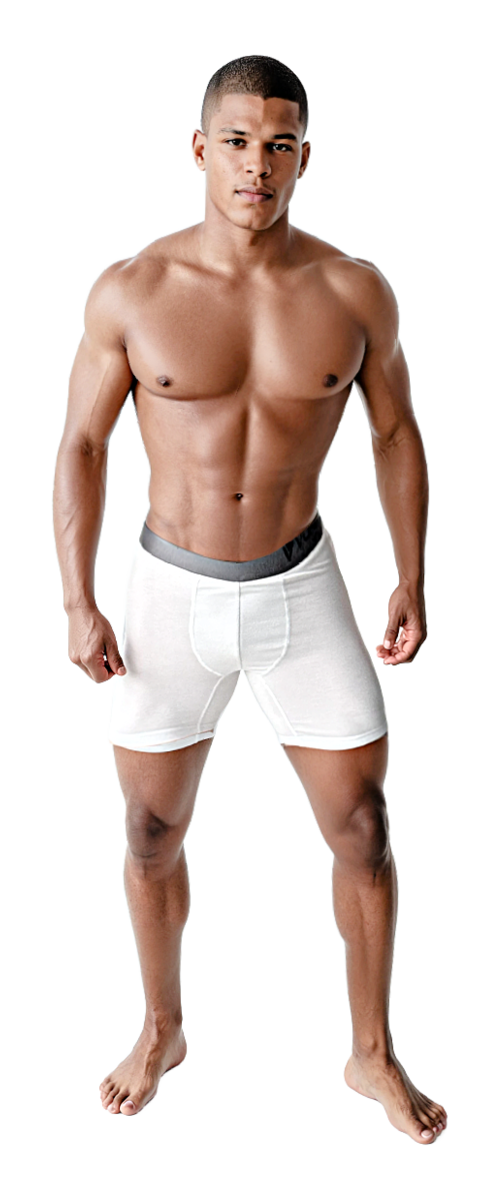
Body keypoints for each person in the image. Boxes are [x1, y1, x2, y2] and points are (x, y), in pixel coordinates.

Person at [51, 53, 447, 1142]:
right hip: (167, 592)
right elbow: (81, 444)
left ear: (305, 158)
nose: (255, 166)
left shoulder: (353, 288)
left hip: (301, 587)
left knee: (362, 826)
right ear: (199, 149)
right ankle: (161, 1029)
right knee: (148, 828)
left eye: (278, 145)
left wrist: (410, 574)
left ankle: (370, 1054)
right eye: (235, 142)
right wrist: (79, 600)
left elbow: (395, 432)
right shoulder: (132, 288)